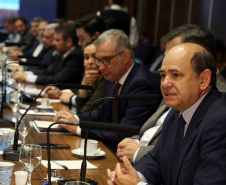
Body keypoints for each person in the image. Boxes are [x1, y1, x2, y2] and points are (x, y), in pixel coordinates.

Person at [107, 43, 226, 185]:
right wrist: (131, 175)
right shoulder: (177, 112)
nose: (165, 83)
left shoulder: (220, 121)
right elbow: (156, 160)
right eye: (163, 75)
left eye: (175, 75)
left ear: (204, 79)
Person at [54, 29, 161, 152]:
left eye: (106, 60)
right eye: (98, 60)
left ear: (125, 56)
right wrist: (74, 119)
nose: (101, 67)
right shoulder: (115, 74)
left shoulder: (142, 84)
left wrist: (78, 129)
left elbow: (125, 132)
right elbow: (102, 112)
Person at [45, 37, 109, 114]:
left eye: (95, 57)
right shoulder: (90, 77)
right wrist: (84, 82)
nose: (90, 62)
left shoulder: (105, 78)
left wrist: (83, 85)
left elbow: (84, 112)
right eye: (86, 57)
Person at [12, 23, 84, 85]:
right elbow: (48, 72)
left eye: (57, 40)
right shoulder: (61, 54)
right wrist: (25, 73)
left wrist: (26, 77)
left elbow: (57, 80)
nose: (53, 43)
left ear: (68, 42)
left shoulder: (76, 56)